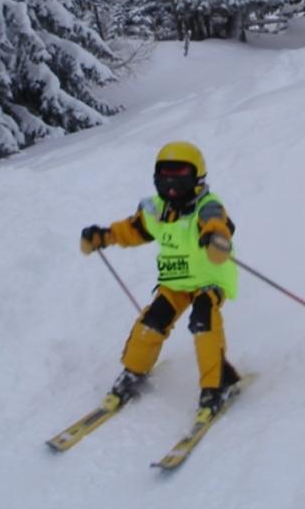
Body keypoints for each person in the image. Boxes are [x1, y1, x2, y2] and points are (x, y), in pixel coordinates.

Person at [80, 141, 242, 421]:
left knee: (203, 319)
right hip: (176, 282)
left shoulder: (207, 207)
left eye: (180, 178)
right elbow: (134, 230)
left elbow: (218, 223)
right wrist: (104, 236)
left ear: (197, 179)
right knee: (152, 321)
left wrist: (215, 238)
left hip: (210, 279)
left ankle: (217, 385)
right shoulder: (155, 209)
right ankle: (134, 372)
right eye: (165, 177)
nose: (171, 186)